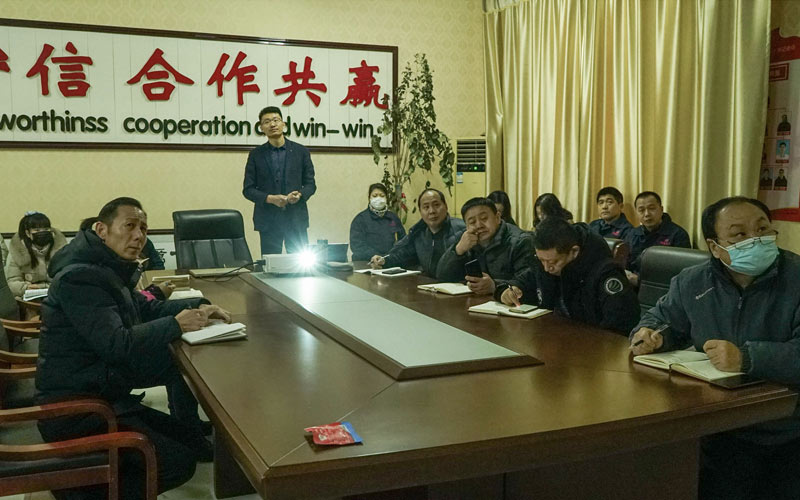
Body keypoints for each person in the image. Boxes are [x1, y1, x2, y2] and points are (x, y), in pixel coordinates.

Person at [36, 197, 231, 499]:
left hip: (102, 388)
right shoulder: (80, 277)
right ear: (102, 230)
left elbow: (145, 309)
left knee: (187, 440)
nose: (139, 235)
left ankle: (109, 474)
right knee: (177, 463)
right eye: (129, 226)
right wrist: (176, 324)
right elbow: (117, 343)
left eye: (143, 228)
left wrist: (199, 307)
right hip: (77, 409)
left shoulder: (106, 267)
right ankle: (77, 489)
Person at [630, 196, 800, 500]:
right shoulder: (693, 281)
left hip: (785, 428)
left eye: (762, 229)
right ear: (714, 246)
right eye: (739, 234)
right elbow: (660, 319)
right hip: (717, 426)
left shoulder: (796, 277)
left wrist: (746, 357)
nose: (755, 239)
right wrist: (653, 335)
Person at [497, 218, 639, 333]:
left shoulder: (604, 273)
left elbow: (620, 326)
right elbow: (520, 282)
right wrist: (507, 290)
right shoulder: (546, 264)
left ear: (574, 252)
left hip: (591, 348)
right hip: (554, 339)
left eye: (553, 262)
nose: (546, 268)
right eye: (541, 260)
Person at [243, 106, 316, 255]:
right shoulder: (256, 154)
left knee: (300, 263)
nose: (272, 124)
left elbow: (310, 185)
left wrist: (299, 195)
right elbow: (248, 189)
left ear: (284, 124)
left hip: (296, 218)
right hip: (268, 220)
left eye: (276, 120)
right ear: (261, 128)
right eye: (267, 122)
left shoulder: (301, 152)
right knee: (271, 264)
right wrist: (270, 199)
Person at [437, 197, 535, 295]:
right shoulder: (467, 240)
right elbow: (442, 276)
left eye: (484, 218)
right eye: (472, 222)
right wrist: (458, 250)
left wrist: (495, 286)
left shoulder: (520, 241)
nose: (479, 225)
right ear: (466, 226)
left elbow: (529, 282)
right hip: (476, 300)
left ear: (497, 218)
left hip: (511, 302)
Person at [369, 188, 465, 277]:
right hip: (429, 286)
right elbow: (403, 255)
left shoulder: (462, 230)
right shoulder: (419, 232)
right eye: (426, 207)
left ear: (446, 206)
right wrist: (384, 261)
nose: (432, 211)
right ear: (420, 212)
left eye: (436, 205)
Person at [623, 191, 691, 286]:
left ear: (661, 209)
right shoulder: (632, 234)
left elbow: (681, 272)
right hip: (633, 285)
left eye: (652, 208)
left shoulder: (678, 234)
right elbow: (625, 264)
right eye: (641, 210)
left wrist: (640, 281)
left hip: (663, 286)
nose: (647, 214)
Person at [5, 211, 68, 298]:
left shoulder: (61, 250)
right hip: (26, 298)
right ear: (28, 233)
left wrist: (41, 287)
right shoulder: (18, 250)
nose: (42, 232)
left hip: (56, 295)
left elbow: (67, 279)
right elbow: (11, 282)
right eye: (37, 230)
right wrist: (25, 287)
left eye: (46, 229)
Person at [349, 183, 406, 261]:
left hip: (390, 262)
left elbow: (403, 241)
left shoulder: (393, 218)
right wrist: (374, 256)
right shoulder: (360, 219)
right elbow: (357, 245)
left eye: (382, 196)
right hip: (366, 263)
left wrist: (391, 258)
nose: (378, 198)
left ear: (386, 198)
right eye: (375, 196)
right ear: (369, 198)